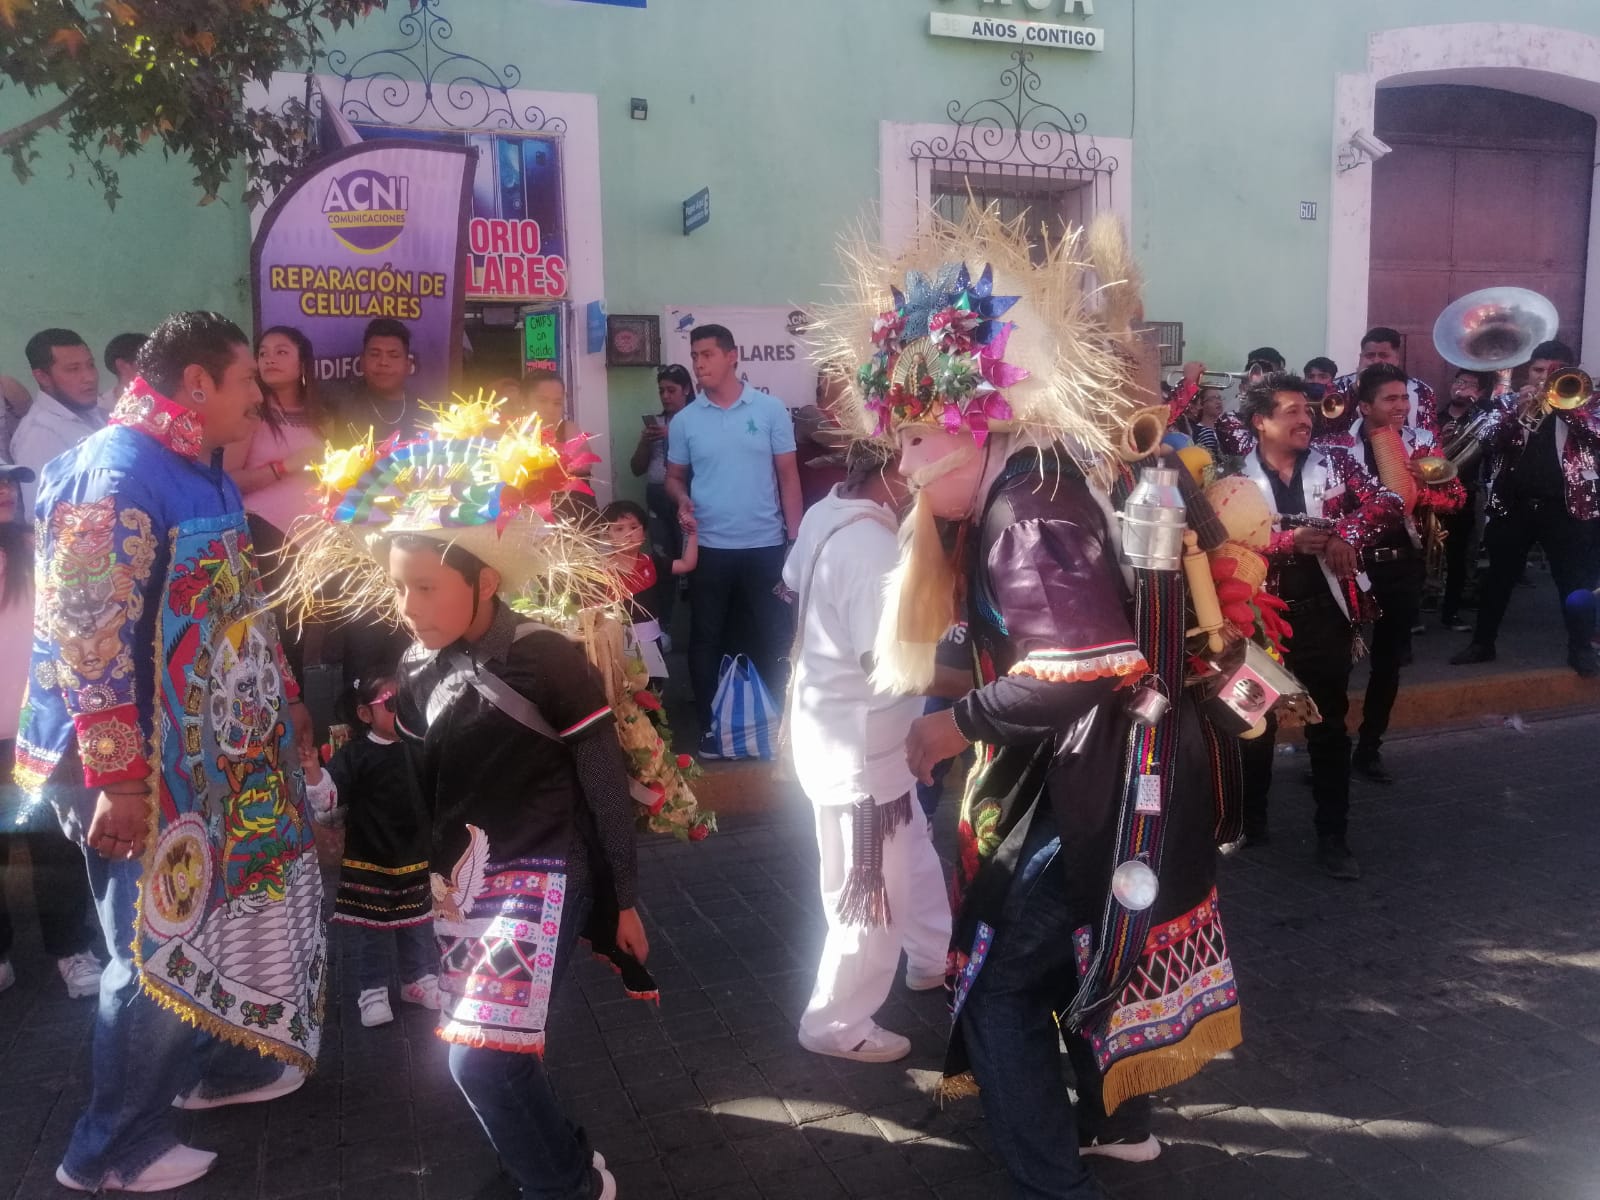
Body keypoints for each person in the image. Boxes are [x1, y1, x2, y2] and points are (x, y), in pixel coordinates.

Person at [814, 209, 1248, 1195]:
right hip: (1110, 777)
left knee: (1004, 991)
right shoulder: (1042, 483)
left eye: (918, 434)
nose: (907, 463)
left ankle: (1052, 1178)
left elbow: (1080, 663)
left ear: (972, 421)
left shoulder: (1027, 508)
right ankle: (1118, 1125)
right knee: (1076, 958)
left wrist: (947, 724)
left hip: (1088, 793)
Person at [279, 402, 652, 1200]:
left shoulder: (545, 657)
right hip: (463, 885)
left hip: (549, 876)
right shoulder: (417, 666)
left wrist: (623, 893)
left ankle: (563, 1184)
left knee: (477, 1056)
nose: (408, 605)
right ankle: (556, 1158)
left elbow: (601, 780)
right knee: (497, 1049)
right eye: (399, 588)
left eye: (425, 586)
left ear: (484, 581)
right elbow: (428, 792)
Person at [17, 312, 323, 1194]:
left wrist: (288, 700)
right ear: (196, 386)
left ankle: (209, 1074)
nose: (256, 402)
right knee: (149, 949)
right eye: (243, 385)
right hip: (126, 771)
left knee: (201, 921)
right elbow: (89, 639)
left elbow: (233, 605)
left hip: (190, 756)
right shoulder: (115, 475)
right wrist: (118, 784)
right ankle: (110, 1151)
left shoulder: (194, 466)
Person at [785, 440, 951, 1065]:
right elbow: (887, 668)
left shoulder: (830, 509)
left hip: (852, 734)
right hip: (858, 748)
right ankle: (835, 1021)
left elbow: (791, 580)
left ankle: (935, 957)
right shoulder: (873, 547)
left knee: (910, 855)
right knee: (870, 893)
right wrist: (988, 680)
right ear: (895, 472)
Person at [1233, 373, 1404, 878]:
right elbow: (1213, 538)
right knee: (1252, 723)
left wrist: (1345, 532)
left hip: (1324, 618)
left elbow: (1389, 501)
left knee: (1329, 729)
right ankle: (1251, 820)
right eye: (1290, 411)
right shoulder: (1232, 476)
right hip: (1255, 622)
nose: (1305, 419)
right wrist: (1285, 544)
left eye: (1306, 410)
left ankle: (1333, 837)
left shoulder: (1337, 461)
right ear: (1260, 422)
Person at [665, 324, 803, 757]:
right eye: (695, 355)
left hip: (765, 547)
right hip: (710, 550)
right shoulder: (685, 420)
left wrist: (795, 540)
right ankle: (711, 728)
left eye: (707, 354)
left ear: (732, 356)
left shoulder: (769, 410)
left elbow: (788, 477)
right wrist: (682, 499)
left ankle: (786, 727)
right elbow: (673, 479)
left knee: (776, 635)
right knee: (707, 637)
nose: (700, 363)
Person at [0, 459, 104, 1000]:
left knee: (53, 844)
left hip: (40, 729)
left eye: (8, 480)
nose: (4, 491)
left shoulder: (39, 547)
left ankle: (70, 948)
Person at [1340, 364, 1465, 782]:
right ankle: (1331, 750)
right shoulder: (1335, 446)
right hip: (1347, 565)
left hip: (1400, 563)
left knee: (1388, 662)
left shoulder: (1423, 441)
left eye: (1404, 398)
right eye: (1390, 399)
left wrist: (1424, 486)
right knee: (1336, 663)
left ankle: (1370, 747)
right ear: (1364, 405)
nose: (1401, 406)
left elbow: (1456, 498)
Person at [1451, 340, 1600, 676]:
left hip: (1566, 509)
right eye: (1537, 370)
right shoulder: (1508, 403)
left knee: (1574, 582)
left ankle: (1580, 648)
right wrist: (1514, 414)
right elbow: (1486, 441)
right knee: (1497, 578)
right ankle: (1482, 643)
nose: (1544, 378)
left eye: (1554, 372)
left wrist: (1564, 406)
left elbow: (1596, 435)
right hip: (1514, 505)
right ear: (1527, 371)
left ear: (1570, 372)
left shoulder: (1588, 404)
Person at [304, 674, 438, 1028]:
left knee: (419, 923)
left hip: (414, 852)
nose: (402, 712)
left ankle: (418, 980)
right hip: (370, 854)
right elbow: (330, 798)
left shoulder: (420, 747)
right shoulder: (356, 754)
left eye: (407, 703)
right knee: (372, 930)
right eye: (392, 704)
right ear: (365, 714)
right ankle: (373, 991)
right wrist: (315, 773)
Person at [602, 499, 697, 681]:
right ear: (607, 535)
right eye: (619, 529)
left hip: (651, 641)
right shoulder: (601, 572)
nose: (628, 534)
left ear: (643, 532)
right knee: (626, 691)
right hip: (619, 644)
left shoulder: (653, 563)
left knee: (655, 689)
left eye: (633, 527)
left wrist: (692, 534)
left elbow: (687, 564)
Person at [629, 364, 695, 623]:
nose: (666, 396)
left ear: (686, 390)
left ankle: (695, 625)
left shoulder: (699, 422)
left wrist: (674, 435)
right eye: (661, 391)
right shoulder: (656, 423)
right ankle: (664, 626)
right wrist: (645, 441)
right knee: (662, 563)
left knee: (692, 565)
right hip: (657, 499)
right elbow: (635, 468)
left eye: (671, 390)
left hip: (687, 500)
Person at [12, 328, 104, 512]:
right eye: (73, 369)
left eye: (90, 365)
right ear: (43, 377)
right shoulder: (39, 436)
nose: (89, 377)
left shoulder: (95, 413)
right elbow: (42, 517)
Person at [1437, 367, 1496, 631]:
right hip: (1431, 495)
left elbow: (1492, 454)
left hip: (1465, 495)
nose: (1461, 386)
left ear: (1481, 391)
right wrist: (1441, 440)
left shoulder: (1483, 420)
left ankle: (1451, 611)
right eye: (1459, 381)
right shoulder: (1434, 417)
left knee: (1460, 556)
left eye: (1470, 383)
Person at [1327, 326, 1440, 437]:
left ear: (1396, 359)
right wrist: (1355, 391)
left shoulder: (1422, 391)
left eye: (1383, 355)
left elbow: (1429, 436)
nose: (1376, 361)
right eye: (1370, 355)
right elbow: (1327, 429)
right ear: (1360, 357)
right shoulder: (1337, 386)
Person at [338, 318, 424, 437]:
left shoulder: (424, 412)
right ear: (362, 362)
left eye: (393, 356)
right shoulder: (339, 405)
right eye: (375, 354)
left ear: (408, 365)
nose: (383, 362)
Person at [98, 333, 147, 415]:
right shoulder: (101, 409)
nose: (157, 367)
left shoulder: (166, 399)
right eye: (148, 361)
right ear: (122, 366)